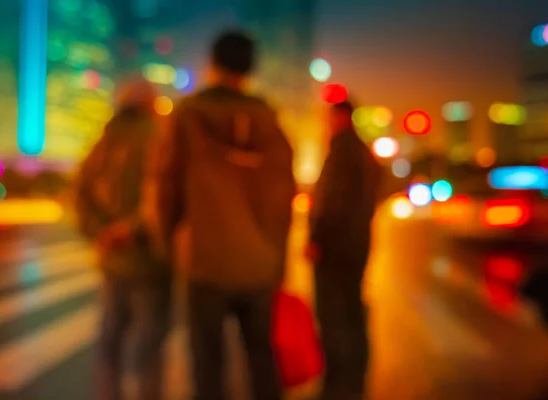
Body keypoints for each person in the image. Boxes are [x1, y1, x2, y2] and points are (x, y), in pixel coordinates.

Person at [156, 30, 296, 400]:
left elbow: (166, 189)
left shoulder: (189, 115)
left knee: (208, 363)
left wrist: (168, 244)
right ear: (251, 68)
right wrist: (279, 260)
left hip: (206, 261)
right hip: (260, 263)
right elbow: (286, 196)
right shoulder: (269, 120)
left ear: (213, 64)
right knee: (261, 359)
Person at [73, 77, 172, 400]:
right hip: (150, 260)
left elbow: (79, 195)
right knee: (150, 344)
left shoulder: (103, 141)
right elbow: (165, 196)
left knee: (110, 342)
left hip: (112, 259)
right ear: (150, 104)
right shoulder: (159, 138)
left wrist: (101, 232)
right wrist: (133, 229)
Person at [306, 100, 382, 400]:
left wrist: (317, 238)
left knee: (332, 314)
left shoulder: (341, 151)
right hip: (357, 244)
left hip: (335, 248)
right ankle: (356, 378)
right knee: (353, 309)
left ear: (339, 117)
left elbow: (331, 201)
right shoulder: (364, 152)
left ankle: (337, 382)